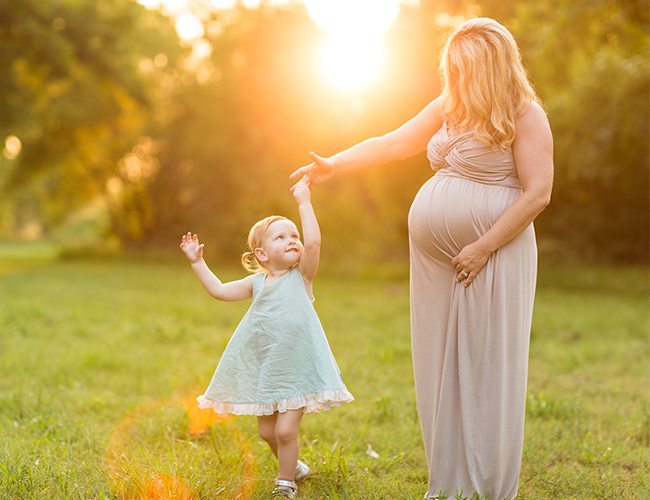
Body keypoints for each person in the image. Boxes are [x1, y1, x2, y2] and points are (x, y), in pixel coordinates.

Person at [291, 17, 553, 500]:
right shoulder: (449, 106)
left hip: (492, 255)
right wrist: (336, 163)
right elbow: (392, 144)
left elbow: (537, 194)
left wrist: (481, 246)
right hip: (438, 262)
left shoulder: (525, 114)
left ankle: (487, 484)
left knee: (485, 362)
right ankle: (450, 478)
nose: (455, 78)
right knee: (437, 360)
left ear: (491, 66)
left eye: (464, 69)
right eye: (451, 68)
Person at [180, 179, 354, 499]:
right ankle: (296, 466)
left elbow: (313, 245)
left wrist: (304, 202)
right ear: (261, 253)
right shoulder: (256, 283)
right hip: (267, 369)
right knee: (267, 432)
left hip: (298, 368)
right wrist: (197, 261)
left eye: (294, 236)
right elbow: (219, 291)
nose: (292, 240)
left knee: (286, 430)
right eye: (281, 237)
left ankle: (285, 482)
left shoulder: (301, 277)